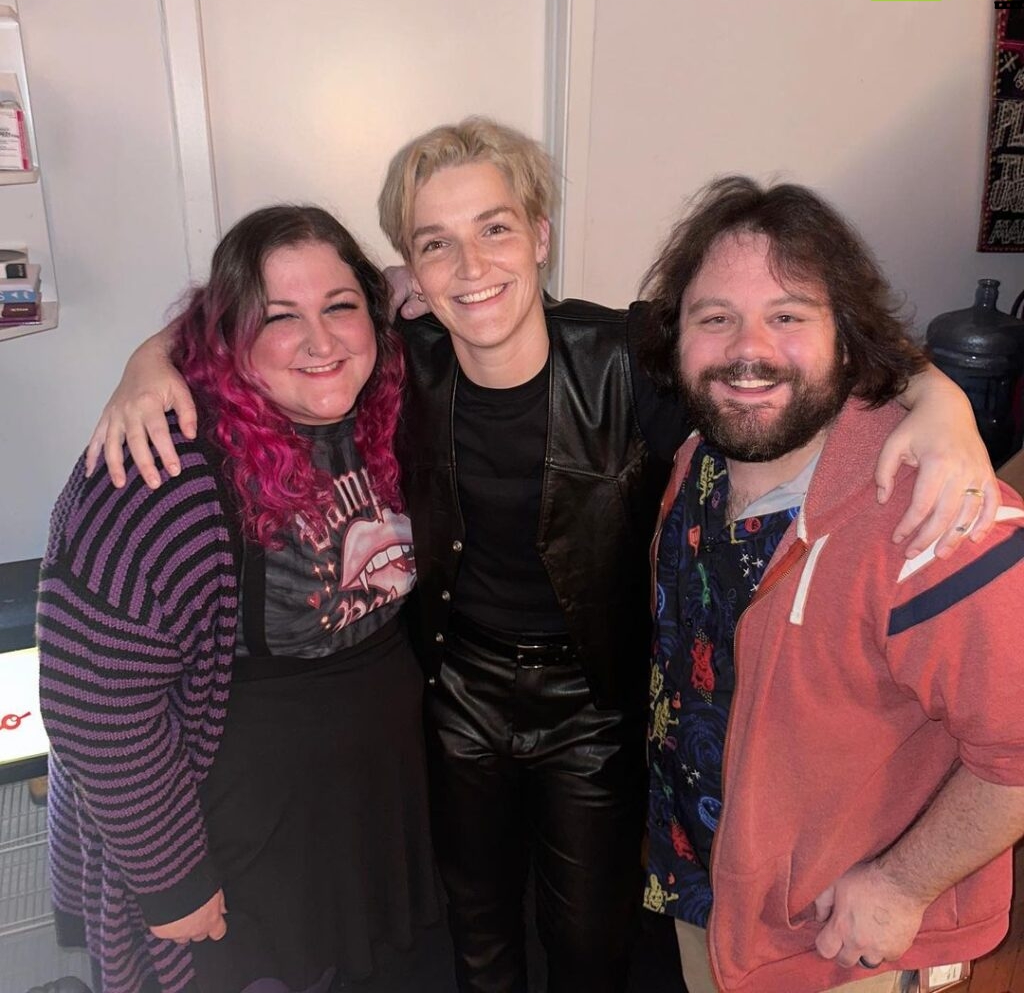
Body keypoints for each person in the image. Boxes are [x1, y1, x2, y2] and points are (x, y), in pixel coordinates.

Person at [84, 119, 999, 993]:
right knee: (474, 923)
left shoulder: (631, 356)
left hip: (591, 699)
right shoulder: (402, 360)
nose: (472, 265)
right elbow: (272, 320)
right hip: (457, 688)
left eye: (494, 229)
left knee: (589, 935)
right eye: (437, 244)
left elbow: (780, 358)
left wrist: (940, 397)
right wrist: (149, 359)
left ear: (540, 237)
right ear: (412, 270)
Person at [37, 206, 440, 993]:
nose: (321, 341)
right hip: (234, 820)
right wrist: (170, 876)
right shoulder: (162, 471)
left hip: (366, 786)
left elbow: (428, 282)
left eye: (338, 308)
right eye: (279, 319)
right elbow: (92, 698)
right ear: (227, 336)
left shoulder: (386, 398)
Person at [639, 177, 1024, 993]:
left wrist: (903, 882)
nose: (749, 349)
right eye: (715, 318)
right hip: (708, 888)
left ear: (848, 339)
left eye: (788, 316)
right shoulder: (697, 465)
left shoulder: (931, 521)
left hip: (840, 944)